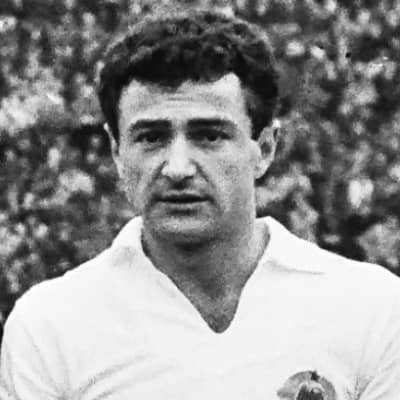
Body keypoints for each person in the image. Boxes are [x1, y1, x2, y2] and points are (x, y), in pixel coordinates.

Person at [1, 9, 400, 400]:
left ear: (264, 148)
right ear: (117, 152)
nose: (177, 168)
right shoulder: (50, 329)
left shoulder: (370, 310)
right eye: (151, 138)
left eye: (209, 136)